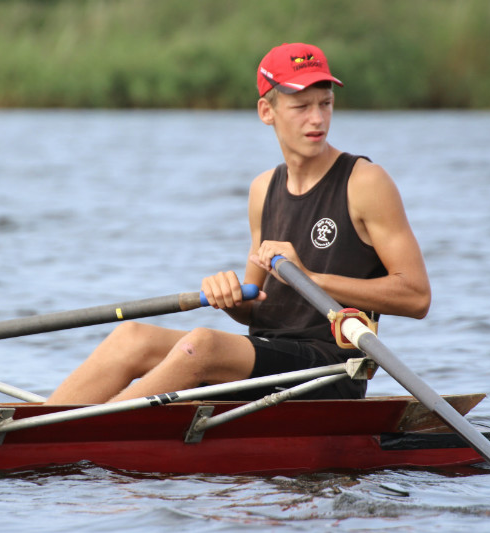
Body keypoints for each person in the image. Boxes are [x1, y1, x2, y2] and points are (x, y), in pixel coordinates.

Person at [45, 42, 430, 405]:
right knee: (131, 337)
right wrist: (227, 296)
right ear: (267, 111)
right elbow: (255, 307)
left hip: (330, 371)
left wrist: (312, 279)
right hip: (268, 359)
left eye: (325, 104)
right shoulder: (263, 189)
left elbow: (416, 297)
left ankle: (75, 435)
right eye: (301, 106)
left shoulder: (365, 182)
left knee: (203, 345)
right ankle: (38, 428)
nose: (317, 119)